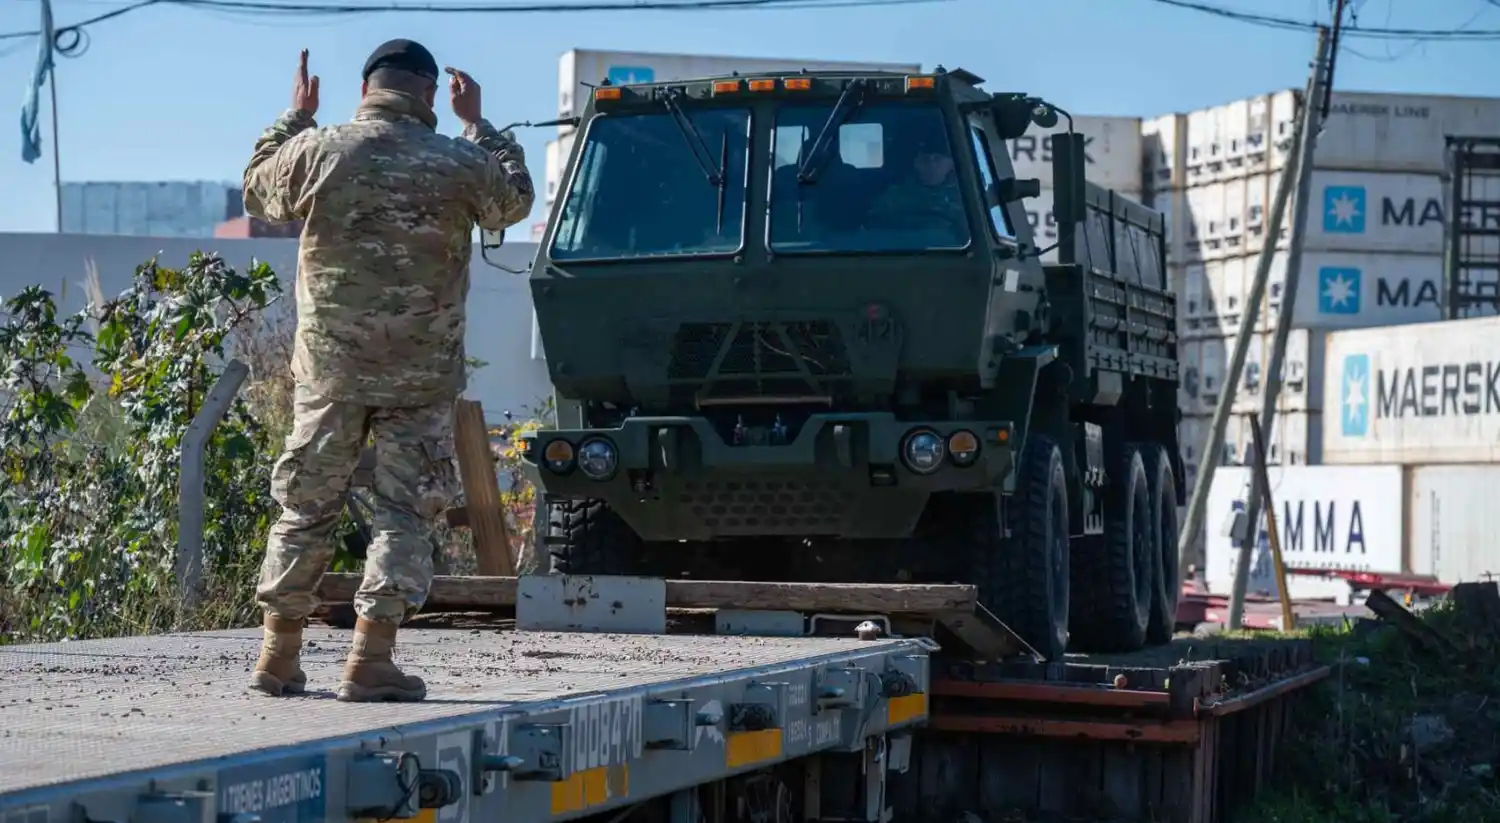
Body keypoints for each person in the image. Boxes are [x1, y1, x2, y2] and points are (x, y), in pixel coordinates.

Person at [241, 40, 535, 703]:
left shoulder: (320, 149)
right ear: (430, 94)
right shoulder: (461, 161)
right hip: (420, 374)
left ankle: (277, 656)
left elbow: (257, 190)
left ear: (365, 90)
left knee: (305, 507)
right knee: (404, 514)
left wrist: (296, 116)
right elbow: (514, 200)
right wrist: (479, 125)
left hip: (330, 370)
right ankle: (370, 659)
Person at [866, 131, 969, 243]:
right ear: (915, 163)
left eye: (937, 159)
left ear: (951, 164)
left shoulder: (968, 198)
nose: (931, 165)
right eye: (924, 159)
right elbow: (875, 230)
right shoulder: (893, 197)